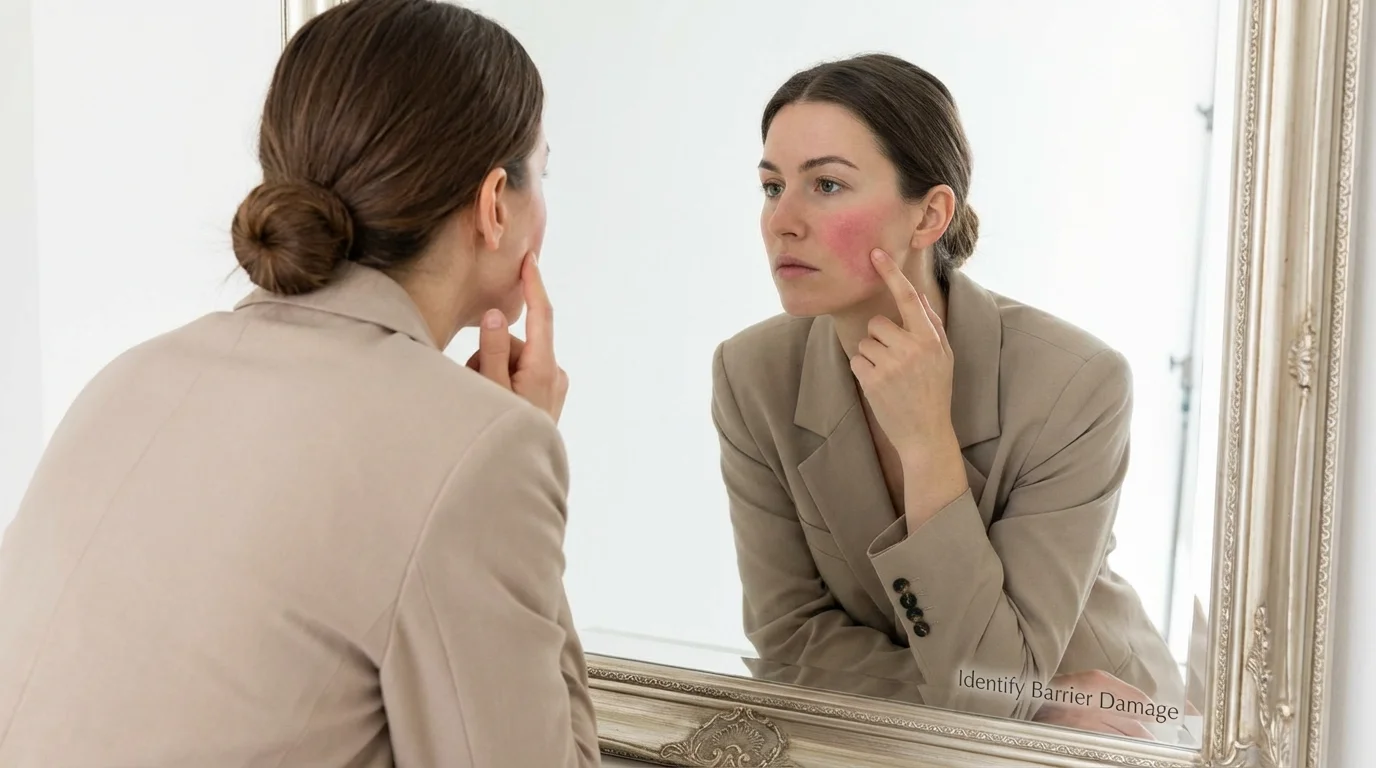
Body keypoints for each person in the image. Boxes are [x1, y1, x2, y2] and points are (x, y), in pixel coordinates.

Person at [0, 1, 599, 766]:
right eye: (542, 172)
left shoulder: (126, 379)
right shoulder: (481, 447)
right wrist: (522, 435)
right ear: (493, 206)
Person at [711, 53, 1192, 739]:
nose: (781, 221)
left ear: (931, 214)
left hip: (1110, 734)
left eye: (825, 185)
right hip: (1010, 719)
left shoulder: (1076, 383)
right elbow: (790, 643)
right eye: (770, 187)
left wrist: (927, 442)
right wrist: (1024, 699)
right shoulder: (751, 373)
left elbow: (992, 701)